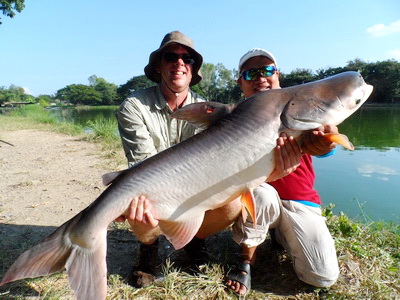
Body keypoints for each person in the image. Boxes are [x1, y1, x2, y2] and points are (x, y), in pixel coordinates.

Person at [115, 32, 301, 287]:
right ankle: (148, 253)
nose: (179, 63)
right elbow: (141, 163)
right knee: (138, 204)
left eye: (187, 58)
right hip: (154, 190)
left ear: (193, 69)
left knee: (234, 200)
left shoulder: (207, 109)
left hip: (193, 191)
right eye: (171, 57)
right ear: (159, 67)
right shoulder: (134, 106)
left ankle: (194, 242)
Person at [225, 48, 340, 295]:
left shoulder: (305, 106)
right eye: (250, 73)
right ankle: (247, 261)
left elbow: (329, 140)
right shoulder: (232, 118)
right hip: (259, 196)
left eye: (267, 70)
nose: (260, 78)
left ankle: (280, 235)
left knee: (322, 277)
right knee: (260, 192)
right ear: (240, 82)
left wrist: (327, 144)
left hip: (300, 200)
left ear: (278, 75)